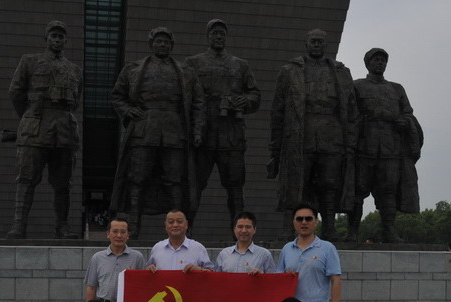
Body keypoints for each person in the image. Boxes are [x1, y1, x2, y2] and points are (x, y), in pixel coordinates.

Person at [110, 27, 204, 238]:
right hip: (144, 130)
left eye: (166, 42)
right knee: (137, 178)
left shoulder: (186, 72)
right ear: (151, 44)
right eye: (158, 41)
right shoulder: (133, 69)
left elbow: (198, 103)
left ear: (172, 45)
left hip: (174, 132)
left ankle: (178, 228)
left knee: (175, 180)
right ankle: (133, 226)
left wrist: (197, 130)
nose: (162, 45)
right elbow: (117, 95)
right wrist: (128, 110)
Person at [267, 29, 357, 242]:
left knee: (330, 183)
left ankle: (330, 228)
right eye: (313, 41)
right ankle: (288, 228)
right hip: (300, 134)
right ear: (306, 44)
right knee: (296, 183)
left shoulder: (341, 72)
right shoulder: (289, 71)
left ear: (326, 45)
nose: (316, 45)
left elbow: (352, 109)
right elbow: (277, 111)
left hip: (332, 135)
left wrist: (350, 141)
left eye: (320, 42)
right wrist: (275, 146)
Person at [6, 20, 82, 240]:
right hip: (35, 126)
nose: (57, 40)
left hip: (64, 130)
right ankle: (19, 225)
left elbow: (76, 101)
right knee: (26, 178)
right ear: (46, 39)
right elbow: (16, 92)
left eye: (61, 37)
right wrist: (29, 116)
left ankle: (62, 227)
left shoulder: (75, 70)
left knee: (63, 183)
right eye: (53, 36)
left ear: (66, 41)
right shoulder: (29, 61)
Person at [184, 19, 260, 226]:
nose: (218, 37)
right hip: (203, 133)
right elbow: (185, 96)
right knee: (194, 184)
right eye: (214, 33)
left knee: (235, 185)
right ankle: (186, 232)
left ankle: (240, 231)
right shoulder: (193, 63)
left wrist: (244, 101)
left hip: (232, 133)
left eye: (222, 34)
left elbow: (255, 96)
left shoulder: (241, 65)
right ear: (208, 36)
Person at [346, 48, 423, 243]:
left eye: (383, 60)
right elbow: (347, 114)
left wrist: (405, 122)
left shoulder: (396, 89)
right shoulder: (356, 86)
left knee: (388, 191)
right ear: (367, 63)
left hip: (390, 149)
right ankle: (352, 231)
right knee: (357, 190)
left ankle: (389, 230)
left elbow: (408, 114)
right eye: (376, 59)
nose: (380, 63)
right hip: (364, 147)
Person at [276, 203, 341, 302]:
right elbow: (278, 280)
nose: (304, 222)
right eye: (299, 219)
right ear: (293, 222)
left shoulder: (327, 248)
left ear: (316, 221)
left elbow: (336, 280)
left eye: (308, 219)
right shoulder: (287, 249)